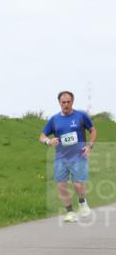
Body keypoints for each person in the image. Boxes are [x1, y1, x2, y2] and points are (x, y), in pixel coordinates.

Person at [39, 90, 96, 223]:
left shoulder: (81, 116)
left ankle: (82, 203)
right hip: (61, 157)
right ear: (59, 103)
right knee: (61, 186)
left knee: (77, 184)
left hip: (79, 155)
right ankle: (70, 212)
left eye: (68, 102)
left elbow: (92, 130)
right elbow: (42, 136)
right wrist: (48, 141)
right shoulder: (54, 119)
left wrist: (90, 146)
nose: (66, 104)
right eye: (63, 102)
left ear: (72, 102)